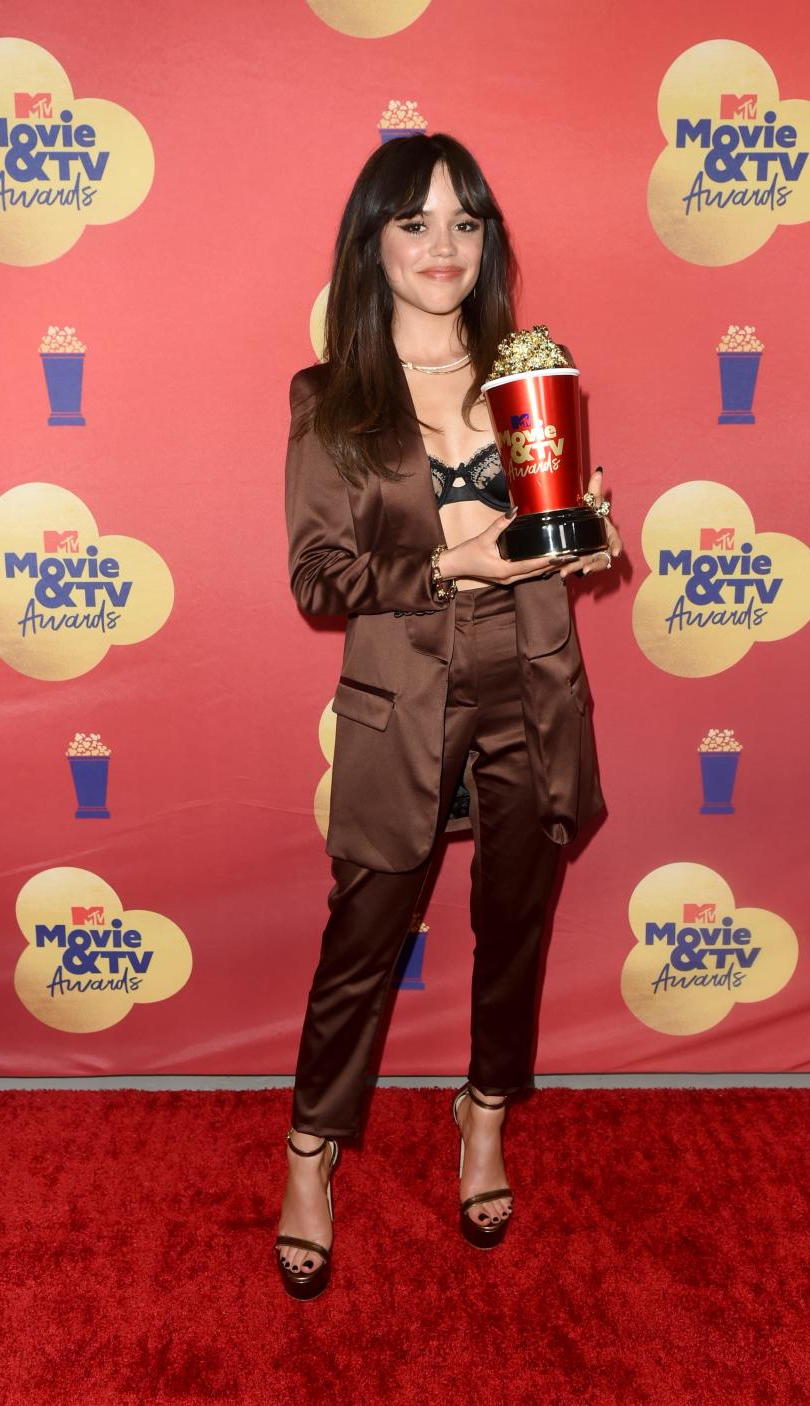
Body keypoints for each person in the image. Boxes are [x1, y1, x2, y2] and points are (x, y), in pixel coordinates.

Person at [276, 133, 622, 1299]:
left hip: (533, 687)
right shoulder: (333, 399)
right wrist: (453, 558)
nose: (442, 247)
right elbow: (321, 580)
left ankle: (484, 1117)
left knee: (514, 926)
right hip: (404, 699)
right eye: (415, 222)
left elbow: (564, 520)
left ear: (489, 242)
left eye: (464, 222)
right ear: (371, 241)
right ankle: (312, 1152)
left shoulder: (533, 371)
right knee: (359, 947)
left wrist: (590, 535)